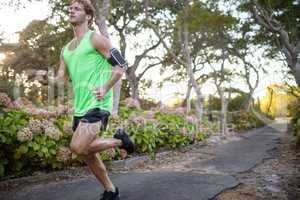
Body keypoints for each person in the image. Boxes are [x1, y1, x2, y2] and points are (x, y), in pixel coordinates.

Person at [50, 0, 134, 199]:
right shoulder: (66, 49)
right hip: (80, 107)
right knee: (89, 155)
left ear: (88, 16)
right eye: (70, 8)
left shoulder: (96, 39)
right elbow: (61, 78)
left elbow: (121, 65)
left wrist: (105, 88)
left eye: (77, 8)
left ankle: (119, 141)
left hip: (98, 104)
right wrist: (45, 78)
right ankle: (110, 191)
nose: (71, 10)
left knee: (77, 147)